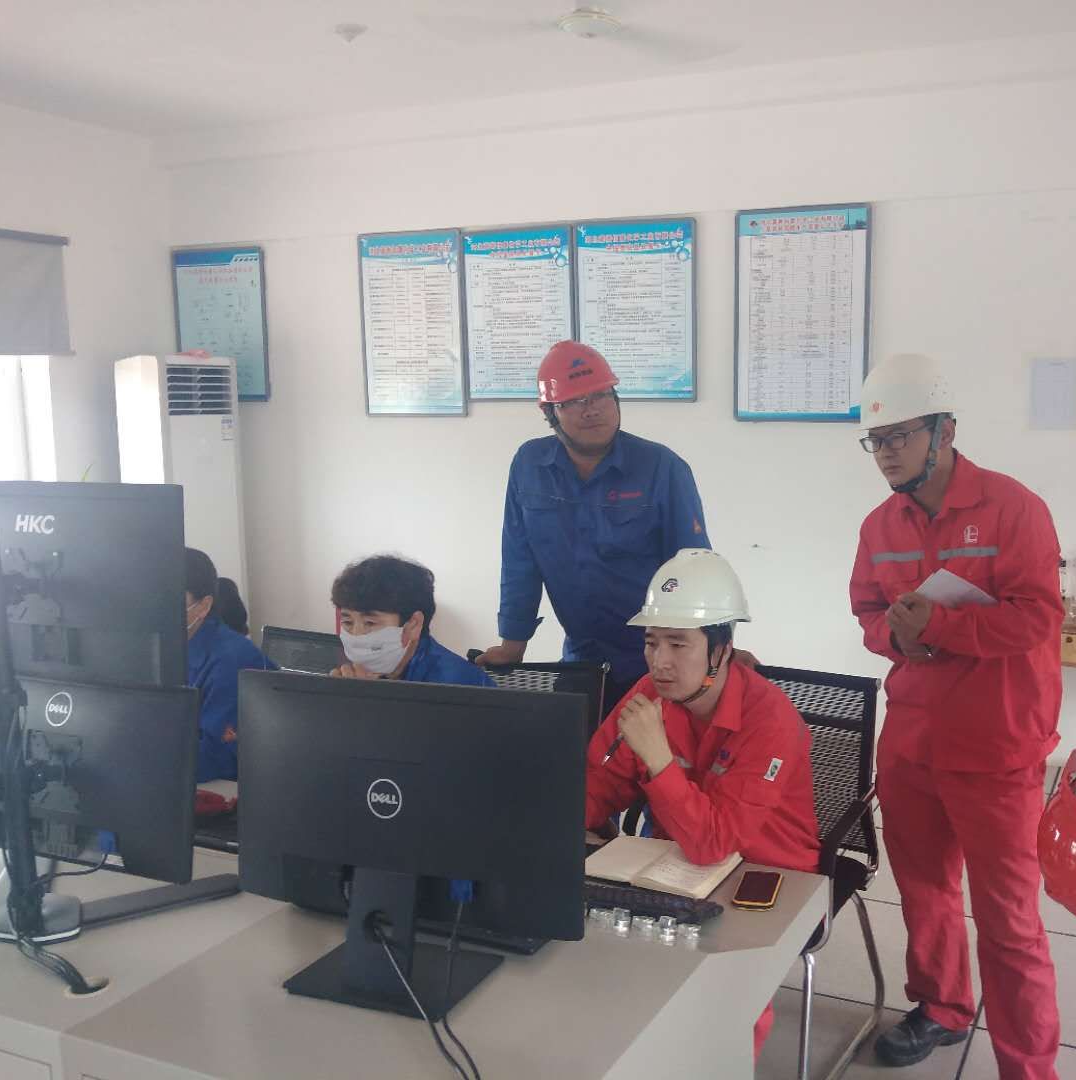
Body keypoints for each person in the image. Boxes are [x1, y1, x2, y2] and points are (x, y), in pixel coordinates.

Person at [848, 355, 1063, 1076]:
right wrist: (895, 636)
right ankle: (942, 1007)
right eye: (875, 441)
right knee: (925, 891)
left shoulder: (1012, 508)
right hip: (911, 742)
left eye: (899, 436)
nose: (885, 453)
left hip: (996, 746)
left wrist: (939, 627)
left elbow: (1037, 617)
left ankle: (1028, 1065)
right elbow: (867, 610)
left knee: (1009, 922)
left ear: (944, 431)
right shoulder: (880, 525)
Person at [584, 548, 819, 1058]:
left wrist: (658, 759)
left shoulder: (771, 719)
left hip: (767, 874)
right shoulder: (649, 693)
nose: (660, 661)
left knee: (726, 1003)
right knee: (606, 969)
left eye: (678, 644)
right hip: (677, 865)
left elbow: (715, 842)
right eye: (651, 642)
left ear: (721, 650)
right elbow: (597, 783)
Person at [475, 341, 725, 714]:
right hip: (583, 658)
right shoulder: (529, 466)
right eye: (574, 401)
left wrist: (716, 654)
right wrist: (513, 643)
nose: (592, 409)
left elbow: (695, 572)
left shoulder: (662, 468)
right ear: (549, 412)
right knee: (572, 744)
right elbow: (519, 561)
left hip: (656, 660)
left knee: (650, 748)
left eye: (601, 396)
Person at [329, 554, 494, 688]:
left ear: (413, 625)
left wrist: (366, 701)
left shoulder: (456, 685)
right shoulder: (354, 673)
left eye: (370, 623)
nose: (356, 635)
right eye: (347, 623)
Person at [184, 548, 276, 782]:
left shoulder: (233, 660)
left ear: (203, 606)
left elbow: (213, 758)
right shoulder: (164, 650)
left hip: (233, 788)